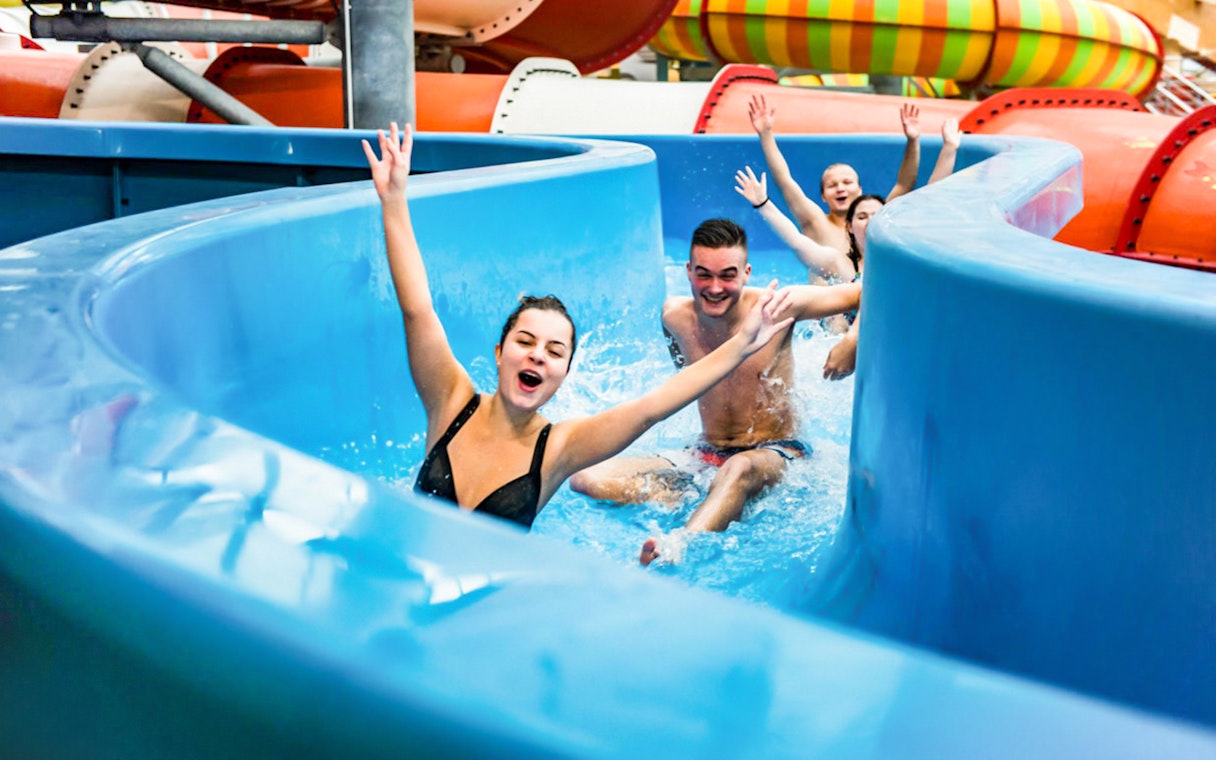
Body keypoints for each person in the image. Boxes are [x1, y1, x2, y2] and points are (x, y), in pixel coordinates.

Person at [362, 123, 795, 530]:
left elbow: (653, 406)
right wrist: (395, 202)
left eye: (554, 351)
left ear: (564, 373)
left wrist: (742, 344)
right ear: (499, 351)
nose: (537, 355)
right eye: (526, 341)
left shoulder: (559, 448)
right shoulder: (451, 402)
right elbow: (418, 309)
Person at [569, 219, 862, 564]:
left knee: (738, 469)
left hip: (776, 452)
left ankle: (678, 545)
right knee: (586, 479)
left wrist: (852, 340)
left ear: (747, 272)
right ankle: (697, 497)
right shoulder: (674, 317)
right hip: (706, 454)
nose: (715, 287)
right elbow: (685, 377)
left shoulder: (778, 306)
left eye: (727, 275)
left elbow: (873, 288)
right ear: (688, 270)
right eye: (704, 274)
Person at [747, 92, 923, 265]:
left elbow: (905, 184)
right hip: (825, 293)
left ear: (860, 190)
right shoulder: (815, 222)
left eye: (847, 182)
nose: (841, 188)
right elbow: (784, 181)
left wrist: (913, 140)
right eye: (832, 185)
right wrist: (766, 134)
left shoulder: (874, 218)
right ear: (823, 196)